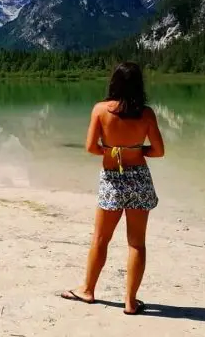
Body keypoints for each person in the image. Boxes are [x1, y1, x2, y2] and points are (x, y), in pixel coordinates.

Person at [61, 62, 165, 315]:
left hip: (112, 179)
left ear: (114, 83)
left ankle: (88, 290)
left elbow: (90, 147)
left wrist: (112, 150)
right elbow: (159, 151)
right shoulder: (147, 114)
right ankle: (130, 301)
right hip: (139, 178)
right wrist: (135, 150)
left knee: (100, 239)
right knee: (137, 244)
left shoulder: (100, 110)